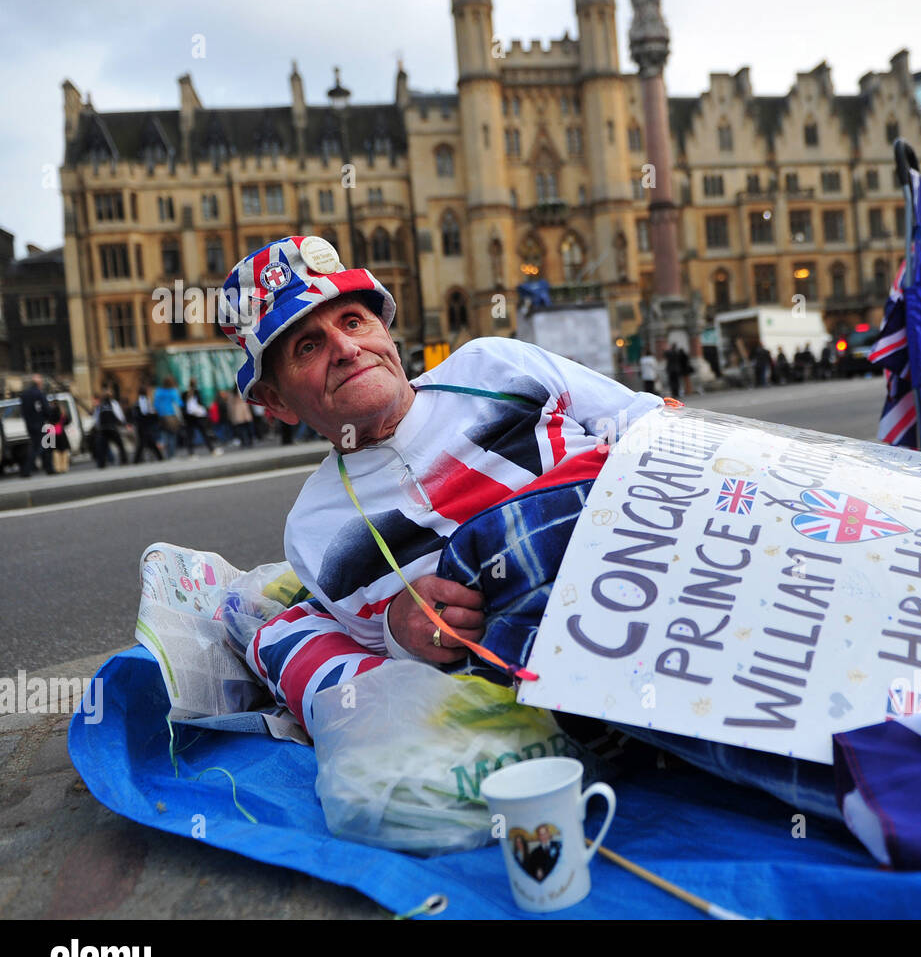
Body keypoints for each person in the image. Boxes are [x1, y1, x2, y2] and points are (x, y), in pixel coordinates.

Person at [222, 235, 662, 736]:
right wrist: (396, 628)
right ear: (277, 403)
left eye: (352, 321)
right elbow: (382, 658)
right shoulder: (315, 532)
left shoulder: (496, 365)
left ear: (384, 331)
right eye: (308, 346)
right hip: (571, 684)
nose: (346, 349)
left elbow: (651, 428)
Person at [18, 373, 54, 478]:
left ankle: (47, 468)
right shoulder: (39, 393)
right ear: (39, 383)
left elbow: (23, 411)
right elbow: (46, 409)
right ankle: (29, 470)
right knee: (43, 446)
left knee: (37, 446)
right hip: (40, 423)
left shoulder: (24, 395)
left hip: (30, 425)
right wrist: (48, 417)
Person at [183, 381, 221, 456]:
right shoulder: (196, 392)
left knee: (191, 435)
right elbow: (201, 402)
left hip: (189, 417)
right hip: (197, 417)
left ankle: (191, 453)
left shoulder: (185, 393)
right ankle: (211, 450)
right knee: (203, 434)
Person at [92, 390, 128, 468]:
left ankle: (101, 464)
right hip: (112, 428)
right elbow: (119, 414)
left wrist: (98, 427)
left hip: (103, 429)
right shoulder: (113, 403)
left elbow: (96, 417)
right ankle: (124, 460)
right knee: (120, 445)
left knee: (102, 447)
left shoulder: (100, 405)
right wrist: (123, 423)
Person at [132, 387, 165, 463]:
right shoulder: (144, 400)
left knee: (147, 443)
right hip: (145, 425)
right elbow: (146, 412)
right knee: (145, 443)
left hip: (141, 425)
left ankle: (136, 460)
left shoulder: (138, 401)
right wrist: (154, 415)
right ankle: (160, 458)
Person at [153, 376, 183, 457]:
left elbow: (155, 404)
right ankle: (171, 455)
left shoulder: (158, 391)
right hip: (171, 415)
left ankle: (166, 454)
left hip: (161, 416)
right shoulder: (173, 391)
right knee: (172, 436)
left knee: (164, 435)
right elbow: (179, 403)